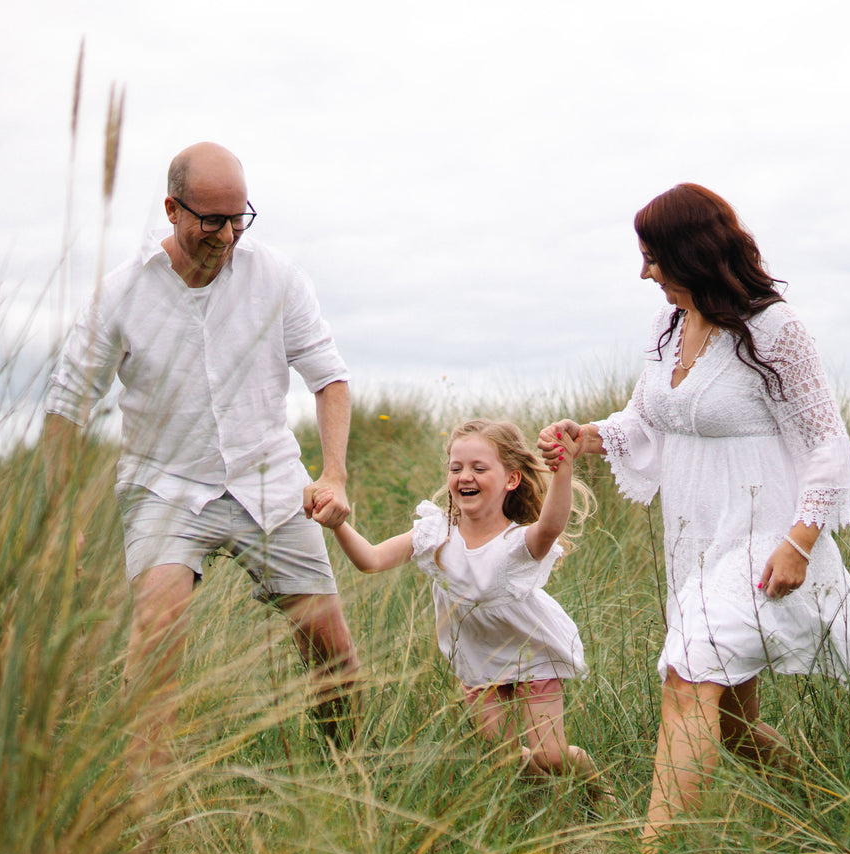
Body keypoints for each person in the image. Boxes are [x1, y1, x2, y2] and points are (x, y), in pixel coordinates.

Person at [538, 183, 850, 843]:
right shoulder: (667, 328)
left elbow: (828, 441)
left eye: (652, 257)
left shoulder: (773, 329)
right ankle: (841, 815)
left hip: (766, 538)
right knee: (731, 724)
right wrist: (584, 434)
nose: (643, 272)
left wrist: (798, 540)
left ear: (692, 252)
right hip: (697, 543)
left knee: (687, 673)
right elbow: (645, 420)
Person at [43, 141, 360, 770]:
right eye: (210, 220)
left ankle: (347, 781)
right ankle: (145, 812)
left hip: (267, 478)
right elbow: (67, 407)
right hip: (166, 487)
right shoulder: (122, 293)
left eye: (239, 217)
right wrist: (61, 523)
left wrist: (333, 473)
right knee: (157, 637)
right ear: (172, 209)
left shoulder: (277, 278)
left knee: (335, 657)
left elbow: (330, 379)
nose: (227, 235)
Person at [316, 419, 607, 805]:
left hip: (532, 654)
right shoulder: (436, 536)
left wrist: (563, 468)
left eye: (478, 468)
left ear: (511, 480)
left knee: (550, 756)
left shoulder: (516, 544)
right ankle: (543, 815)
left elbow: (552, 525)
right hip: (480, 662)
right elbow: (369, 560)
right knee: (502, 759)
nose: (464, 476)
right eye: (456, 468)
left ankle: (596, 790)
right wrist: (338, 525)